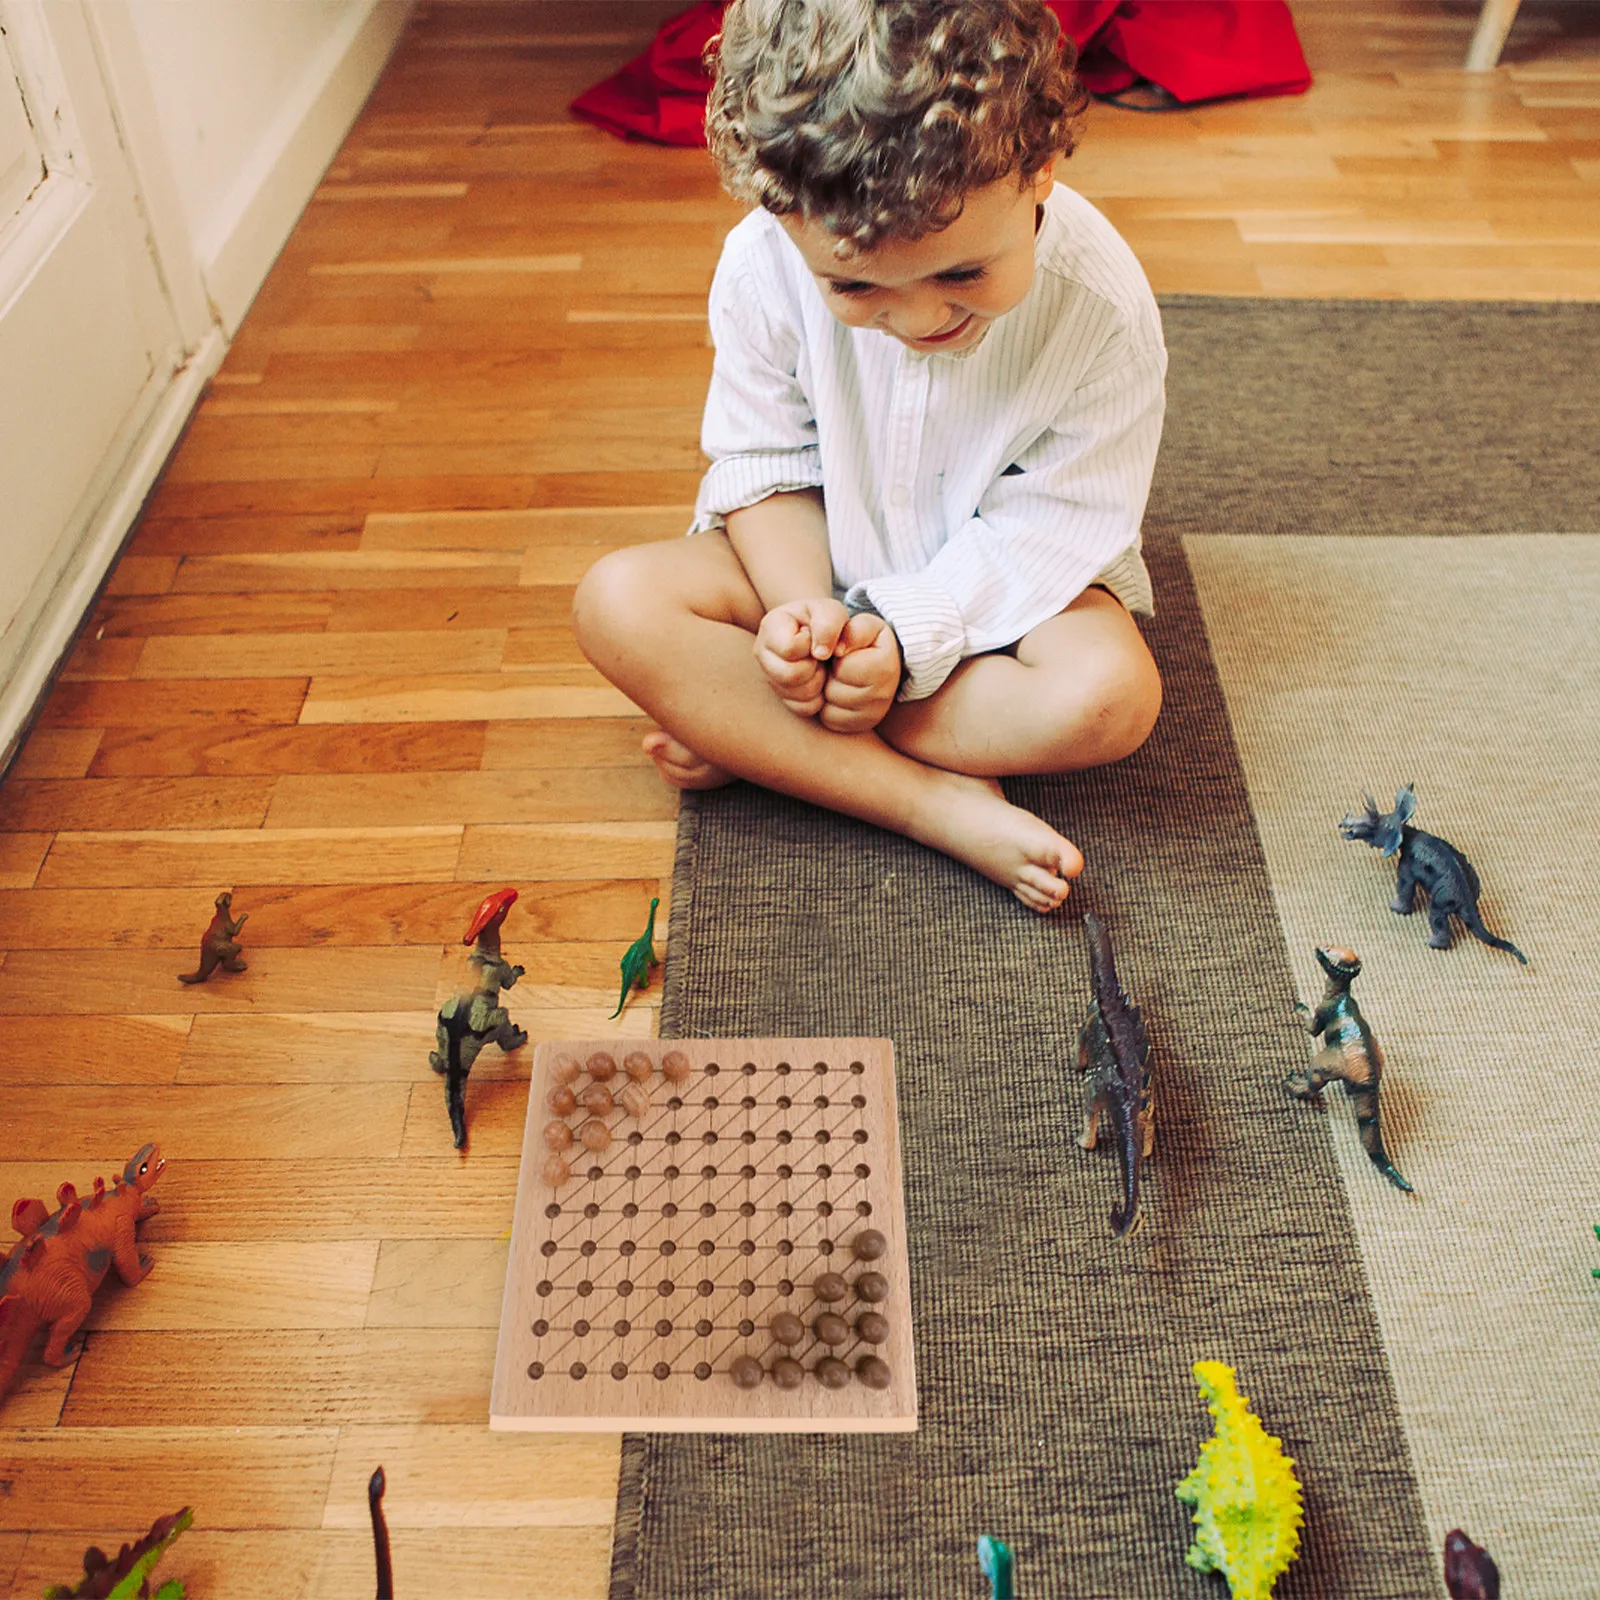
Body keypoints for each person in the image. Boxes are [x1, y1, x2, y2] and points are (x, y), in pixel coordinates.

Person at [574, 0, 1165, 912]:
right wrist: (806, 617)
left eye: (963, 273)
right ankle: (931, 805)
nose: (923, 318)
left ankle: (767, 743)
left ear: (1039, 171)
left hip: (996, 604)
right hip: (807, 563)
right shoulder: (761, 263)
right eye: (853, 285)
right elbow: (763, 457)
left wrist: (900, 638)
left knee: (1111, 698)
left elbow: (1058, 526)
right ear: (781, 216)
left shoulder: (1103, 310)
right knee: (618, 600)